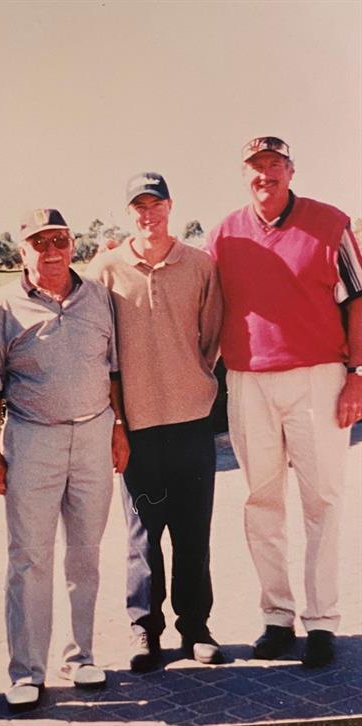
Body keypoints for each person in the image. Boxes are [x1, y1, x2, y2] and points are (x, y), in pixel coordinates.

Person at [207, 136, 362, 667]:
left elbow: (358, 299)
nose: (264, 176)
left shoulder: (330, 222)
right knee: (262, 501)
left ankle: (321, 622)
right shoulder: (226, 234)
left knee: (322, 499)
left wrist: (357, 375)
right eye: (255, 167)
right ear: (243, 173)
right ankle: (276, 616)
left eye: (274, 166)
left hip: (318, 376)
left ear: (291, 171)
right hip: (249, 380)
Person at [0, 208, 129, 710]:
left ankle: (80, 654)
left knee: (85, 552)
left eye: (59, 239)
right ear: (22, 252)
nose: (51, 250)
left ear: (72, 244)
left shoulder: (98, 297)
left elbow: (113, 372)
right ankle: (26, 669)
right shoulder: (4, 305)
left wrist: (119, 428)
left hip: (92, 435)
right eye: (38, 242)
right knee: (29, 557)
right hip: (32, 438)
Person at [86, 173, 224, 671]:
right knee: (143, 533)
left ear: (170, 207)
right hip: (137, 426)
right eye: (138, 207)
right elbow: (98, 349)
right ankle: (144, 630)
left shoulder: (200, 265)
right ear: (129, 214)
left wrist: (190, 381)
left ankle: (196, 628)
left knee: (193, 532)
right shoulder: (105, 269)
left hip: (190, 420)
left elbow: (211, 339)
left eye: (156, 204)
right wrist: (118, 420)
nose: (148, 214)